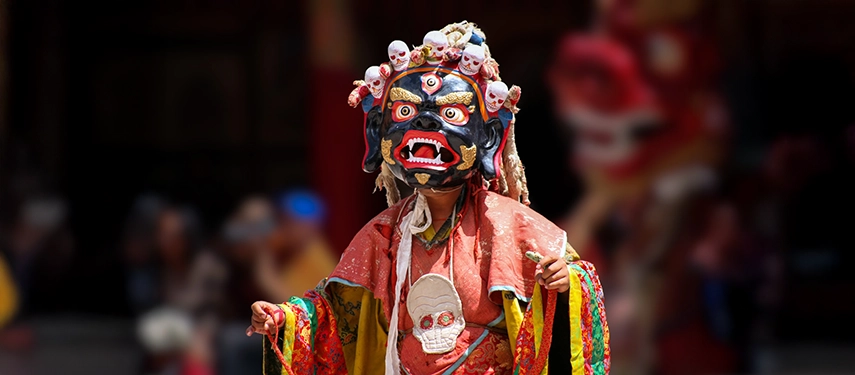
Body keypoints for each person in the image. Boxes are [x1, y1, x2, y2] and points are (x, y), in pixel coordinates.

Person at [247, 22, 609, 375]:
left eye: (451, 113)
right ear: (378, 132)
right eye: (405, 112)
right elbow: (334, 312)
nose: (426, 125)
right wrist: (284, 320)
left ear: (488, 137)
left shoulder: (510, 225)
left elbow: (576, 284)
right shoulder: (383, 235)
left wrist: (564, 282)